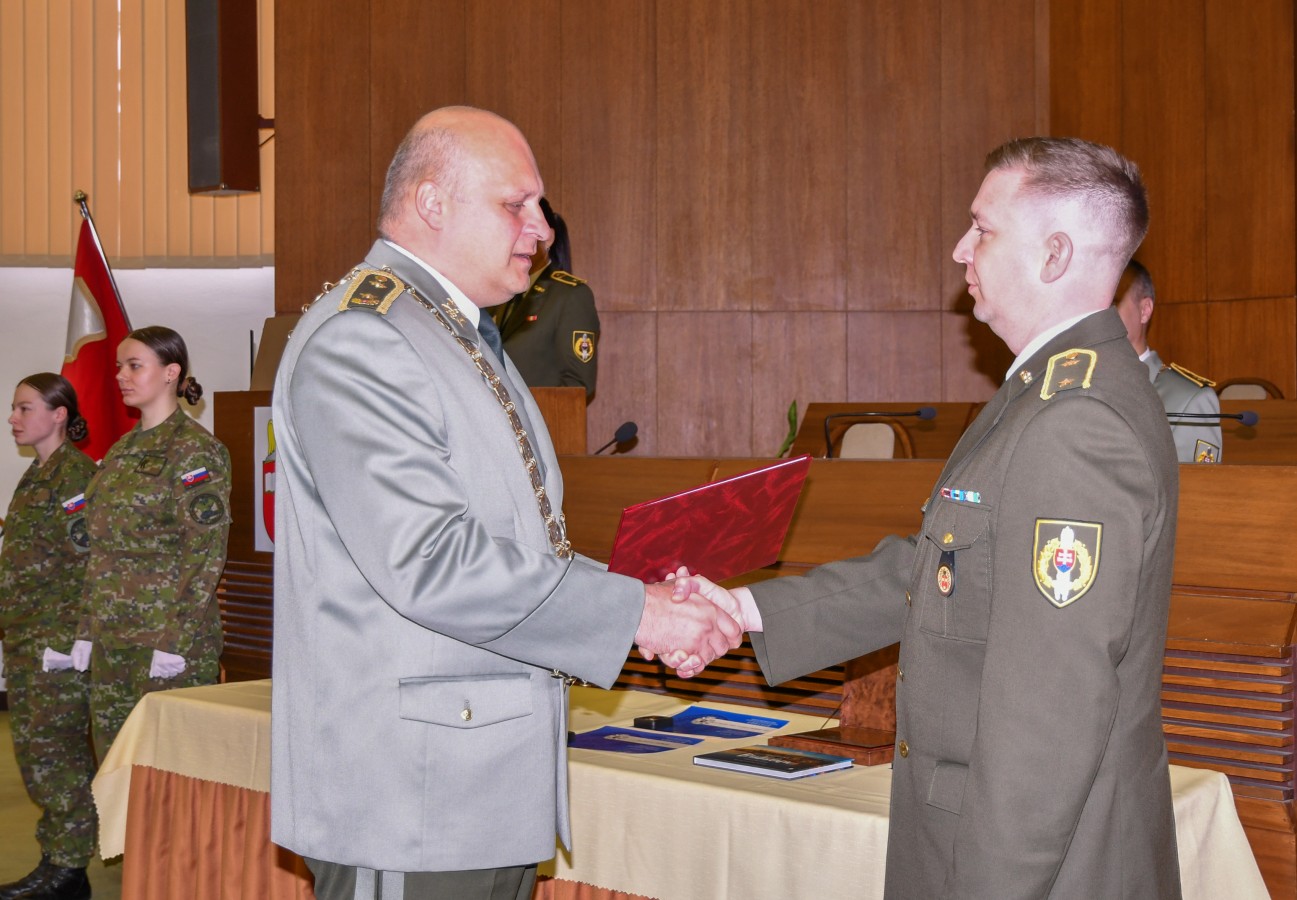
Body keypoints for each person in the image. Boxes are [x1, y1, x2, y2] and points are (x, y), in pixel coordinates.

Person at [679, 138, 1182, 899]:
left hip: (1044, 870)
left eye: (982, 228)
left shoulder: (1075, 422)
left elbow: (1049, 714)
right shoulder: (1040, 396)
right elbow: (938, 569)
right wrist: (744, 609)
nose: (959, 249)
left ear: (1053, 255)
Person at [270, 105, 740, 900]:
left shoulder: (451, 331)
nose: (542, 228)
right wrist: (640, 615)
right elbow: (433, 562)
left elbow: (519, 544)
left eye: (540, 206)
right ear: (431, 203)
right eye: (515, 204)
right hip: (409, 799)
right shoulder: (367, 338)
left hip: (476, 788)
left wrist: (641, 598)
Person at [77, 325, 231, 758]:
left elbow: (205, 553)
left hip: (165, 642)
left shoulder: (194, 451)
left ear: (170, 372)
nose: (120, 375)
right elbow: (101, 551)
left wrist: (174, 643)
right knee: (114, 767)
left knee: (168, 769)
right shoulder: (121, 451)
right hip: (113, 641)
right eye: (119, 366)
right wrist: (87, 629)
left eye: (134, 365)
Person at [0, 374, 96, 900]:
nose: (13, 418)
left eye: (24, 408)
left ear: (59, 414)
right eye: (14, 409)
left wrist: (68, 641)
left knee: (57, 756)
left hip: (54, 645)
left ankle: (67, 870)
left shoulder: (74, 476)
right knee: (38, 756)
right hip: (26, 637)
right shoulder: (37, 474)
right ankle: (56, 861)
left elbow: (87, 564)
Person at [1114, 259, 1222, 463]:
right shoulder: (1075, 387)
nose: (1097, 317)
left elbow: (1196, 483)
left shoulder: (1189, 400)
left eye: (1112, 303)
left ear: (1144, 310)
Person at [492, 197, 600, 398]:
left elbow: (577, 385)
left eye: (527, 231)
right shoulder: (497, 294)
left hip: (543, 417)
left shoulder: (570, 296)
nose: (518, 241)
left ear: (548, 238)